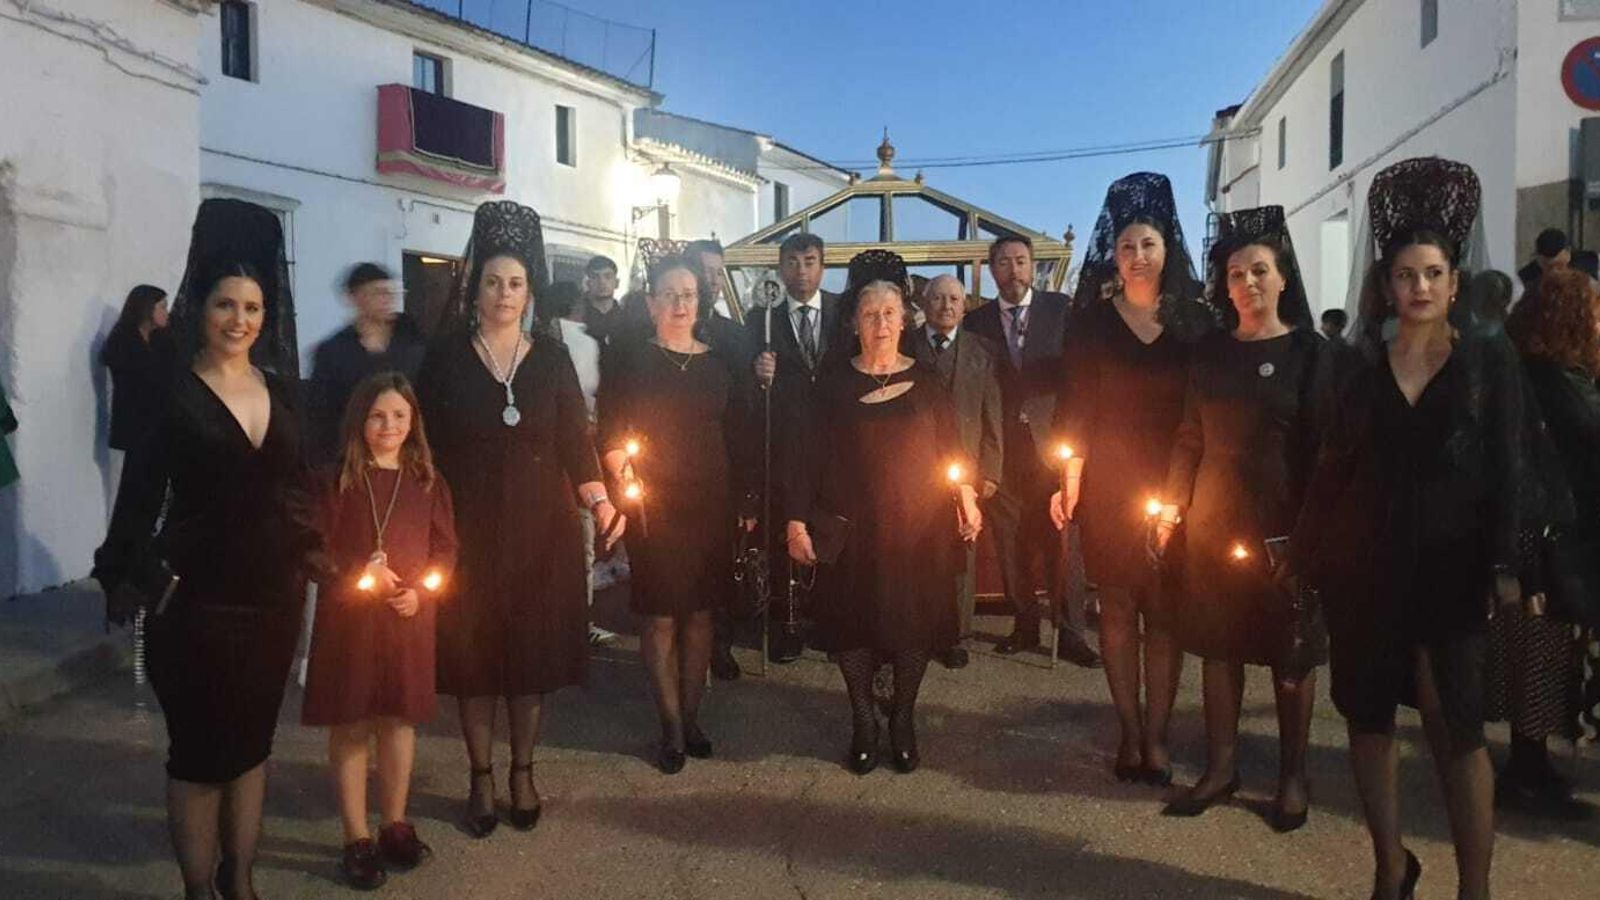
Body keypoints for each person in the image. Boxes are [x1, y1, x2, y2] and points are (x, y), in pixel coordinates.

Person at [1291, 158, 1522, 900]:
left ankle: (1475, 888)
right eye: (1405, 274)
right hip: (1369, 568)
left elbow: (1515, 469)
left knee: (1456, 730)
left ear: (1455, 282)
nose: (1418, 286)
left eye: (1432, 273)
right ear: (1386, 286)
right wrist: (1306, 556)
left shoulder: (1488, 368)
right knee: (1367, 720)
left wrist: (1512, 565)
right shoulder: (1360, 373)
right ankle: (1391, 865)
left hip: (1453, 574)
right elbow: (1333, 473)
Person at [94, 198, 317, 900]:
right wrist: (125, 572)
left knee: (252, 748)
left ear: (266, 313)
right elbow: (137, 495)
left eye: (252, 307)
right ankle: (199, 891)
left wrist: (317, 548)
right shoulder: (173, 392)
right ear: (203, 305)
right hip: (194, 605)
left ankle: (241, 881)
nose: (240, 320)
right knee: (198, 758)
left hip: (272, 599)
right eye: (226, 304)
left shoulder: (280, 390)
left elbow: (299, 487)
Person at [415, 201, 621, 837]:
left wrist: (600, 499)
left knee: (528, 661)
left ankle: (522, 771)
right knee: (475, 662)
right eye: (493, 282)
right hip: (467, 532)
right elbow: (421, 443)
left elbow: (574, 444)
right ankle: (479, 776)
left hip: (540, 533)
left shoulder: (552, 359)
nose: (504, 294)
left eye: (515, 283)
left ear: (529, 291)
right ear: (474, 287)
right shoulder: (446, 358)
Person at [1154, 207, 1329, 830]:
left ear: (1282, 278)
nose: (1249, 282)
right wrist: (1172, 508)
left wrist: (1308, 535)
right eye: (1236, 273)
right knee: (1218, 650)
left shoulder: (1311, 354)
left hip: (1283, 528)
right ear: (1224, 287)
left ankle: (1292, 777)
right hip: (1212, 519)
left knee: (1290, 656)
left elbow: (1325, 452)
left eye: (1260, 270)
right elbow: (1188, 439)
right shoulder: (1210, 355)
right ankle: (1222, 767)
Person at [1051, 172, 1216, 786]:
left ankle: (1159, 734)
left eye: (1147, 244)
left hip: (1178, 481)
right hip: (1112, 484)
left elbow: (1207, 410)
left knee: (1166, 612)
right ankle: (1127, 729)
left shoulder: (1194, 320)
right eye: (1126, 247)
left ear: (1166, 248)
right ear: (1112, 255)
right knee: (1117, 606)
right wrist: (1069, 478)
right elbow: (1077, 410)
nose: (1137, 257)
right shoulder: (1093, 324)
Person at [784, 278, 982, 774]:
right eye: (870, 314)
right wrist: (795, 521)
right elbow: (803, 459)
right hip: (851, 530)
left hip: (919, 529)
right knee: (854, 626)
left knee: (912, 626)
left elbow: (952, 450)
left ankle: (903, 721)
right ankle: (864, 722)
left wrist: (966, 497)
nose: (880, 323)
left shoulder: (929, 381)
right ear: (854, 323)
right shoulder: (830, 386)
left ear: (904, 320)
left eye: (890, 313)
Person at [597, 256, 755, 772]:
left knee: (702, 614)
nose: (680, 304)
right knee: (662, 615)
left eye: (688, 294)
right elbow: (612, 432)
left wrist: (745, 502)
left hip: (709, 504)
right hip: (656, 508)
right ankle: (668, 726)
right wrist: (622, 475)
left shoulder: (717, 366)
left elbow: (737, 437)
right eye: (669, 294)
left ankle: (692, 718)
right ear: (651, 304)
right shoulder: (632, 362)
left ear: (699, 301)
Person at [303, 373, 458, 888]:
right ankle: (356, 836)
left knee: (398, 722)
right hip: (350, 622)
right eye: (377, 416)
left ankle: (393, 822)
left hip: (408, 619)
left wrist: (425, 592)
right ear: (358, 420)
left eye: (398, 416)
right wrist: (355, 574)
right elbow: (315, 548)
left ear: (413, 421)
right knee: (351, 725)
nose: (388, 426)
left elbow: (445, 548)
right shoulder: (338, 480)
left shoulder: (427, 481)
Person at [964, 235, 1100, 666]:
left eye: (1021, 261)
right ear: (992, 270)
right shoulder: (977, 321)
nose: (1014, 270)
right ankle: (1024, 624)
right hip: (1003, 449)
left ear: (1033, 265)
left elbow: (1078, 380)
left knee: (1064, 541)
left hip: (1053, 445)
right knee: (1010, 542)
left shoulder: (1060, 311)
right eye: (1004, 263)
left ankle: (1072, 631)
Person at [1494, 266, 1600, 819]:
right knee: (1542, 646)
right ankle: (1526, 765)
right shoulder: (1545, 380)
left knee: (1551, 648)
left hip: (1569, 534)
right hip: (1554, 536)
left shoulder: (1563, 375)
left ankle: (1532, 760)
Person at [747, 232, 844, 662]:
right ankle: (786, 618)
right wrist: (760, 373)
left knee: (831, 527)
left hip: (836, 437)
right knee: (784, 526)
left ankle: (828, 618)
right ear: (780, 267)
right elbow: (748, 388)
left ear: (822, 266)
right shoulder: (760, 318)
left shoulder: (844, 312)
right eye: (792, 262)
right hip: (784, 438)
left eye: (809, 261)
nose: (801, 271)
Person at [907, 274, 1003, 669]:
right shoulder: (904, 347)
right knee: (915, 552)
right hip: (913, 471)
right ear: (925, 303)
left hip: (965, 469)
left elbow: (992, 413)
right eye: (939, 298)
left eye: (954, 299)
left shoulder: (983, 351)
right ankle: (913, 631)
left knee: (961, 554)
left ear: (964, 306)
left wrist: (992, 472)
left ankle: (954, 634)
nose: (946, 306)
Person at [307, 264, 427, 467]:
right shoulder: (333, 352)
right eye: (377, 293)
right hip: (355, 458)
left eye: (390, 292)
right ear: (354, 297)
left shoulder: (412, 340)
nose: (386, 299)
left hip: (406, 454)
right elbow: (321, 417)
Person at [100, 284, 175, 455]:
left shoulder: (162, 340)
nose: (166, 312)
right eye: (162, 307)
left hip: (161, 424)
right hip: (137, 424)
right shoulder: (123, 341)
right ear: (147, 308)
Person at [577, 254, 625, 345]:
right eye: (595, 277)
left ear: (617, 283)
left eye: (607, 276)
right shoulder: (578, 317)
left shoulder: (626, 319)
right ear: (588, 283)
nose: (601, 282)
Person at [1517, 227, 1570, 293]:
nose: (1554, 272)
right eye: (1548, 267)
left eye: (1559, 266)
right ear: (1537, 259)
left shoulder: (1583, 271)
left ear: (1568, 253)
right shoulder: (1524, 281)